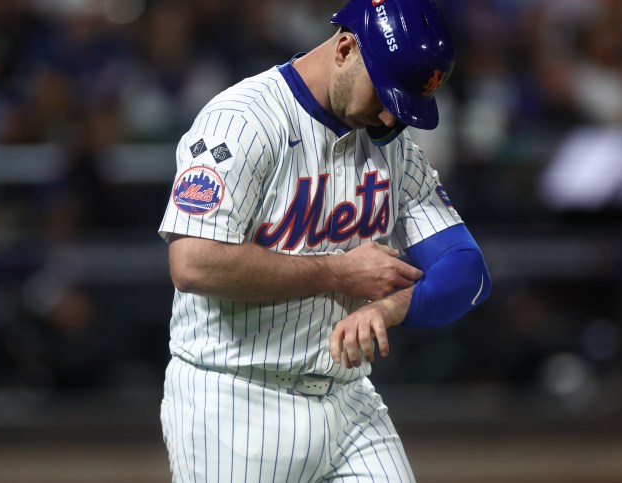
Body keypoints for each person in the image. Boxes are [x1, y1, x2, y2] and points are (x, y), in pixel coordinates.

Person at [158, 0, 491, 481]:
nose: (388, 119)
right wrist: (340, 271)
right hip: (234, 401)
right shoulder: (242, 120)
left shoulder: (390, 144)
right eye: (384, 96)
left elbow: (466, 268)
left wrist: (389, 308)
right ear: (345, 48)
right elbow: (193, 264)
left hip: (349, 401)